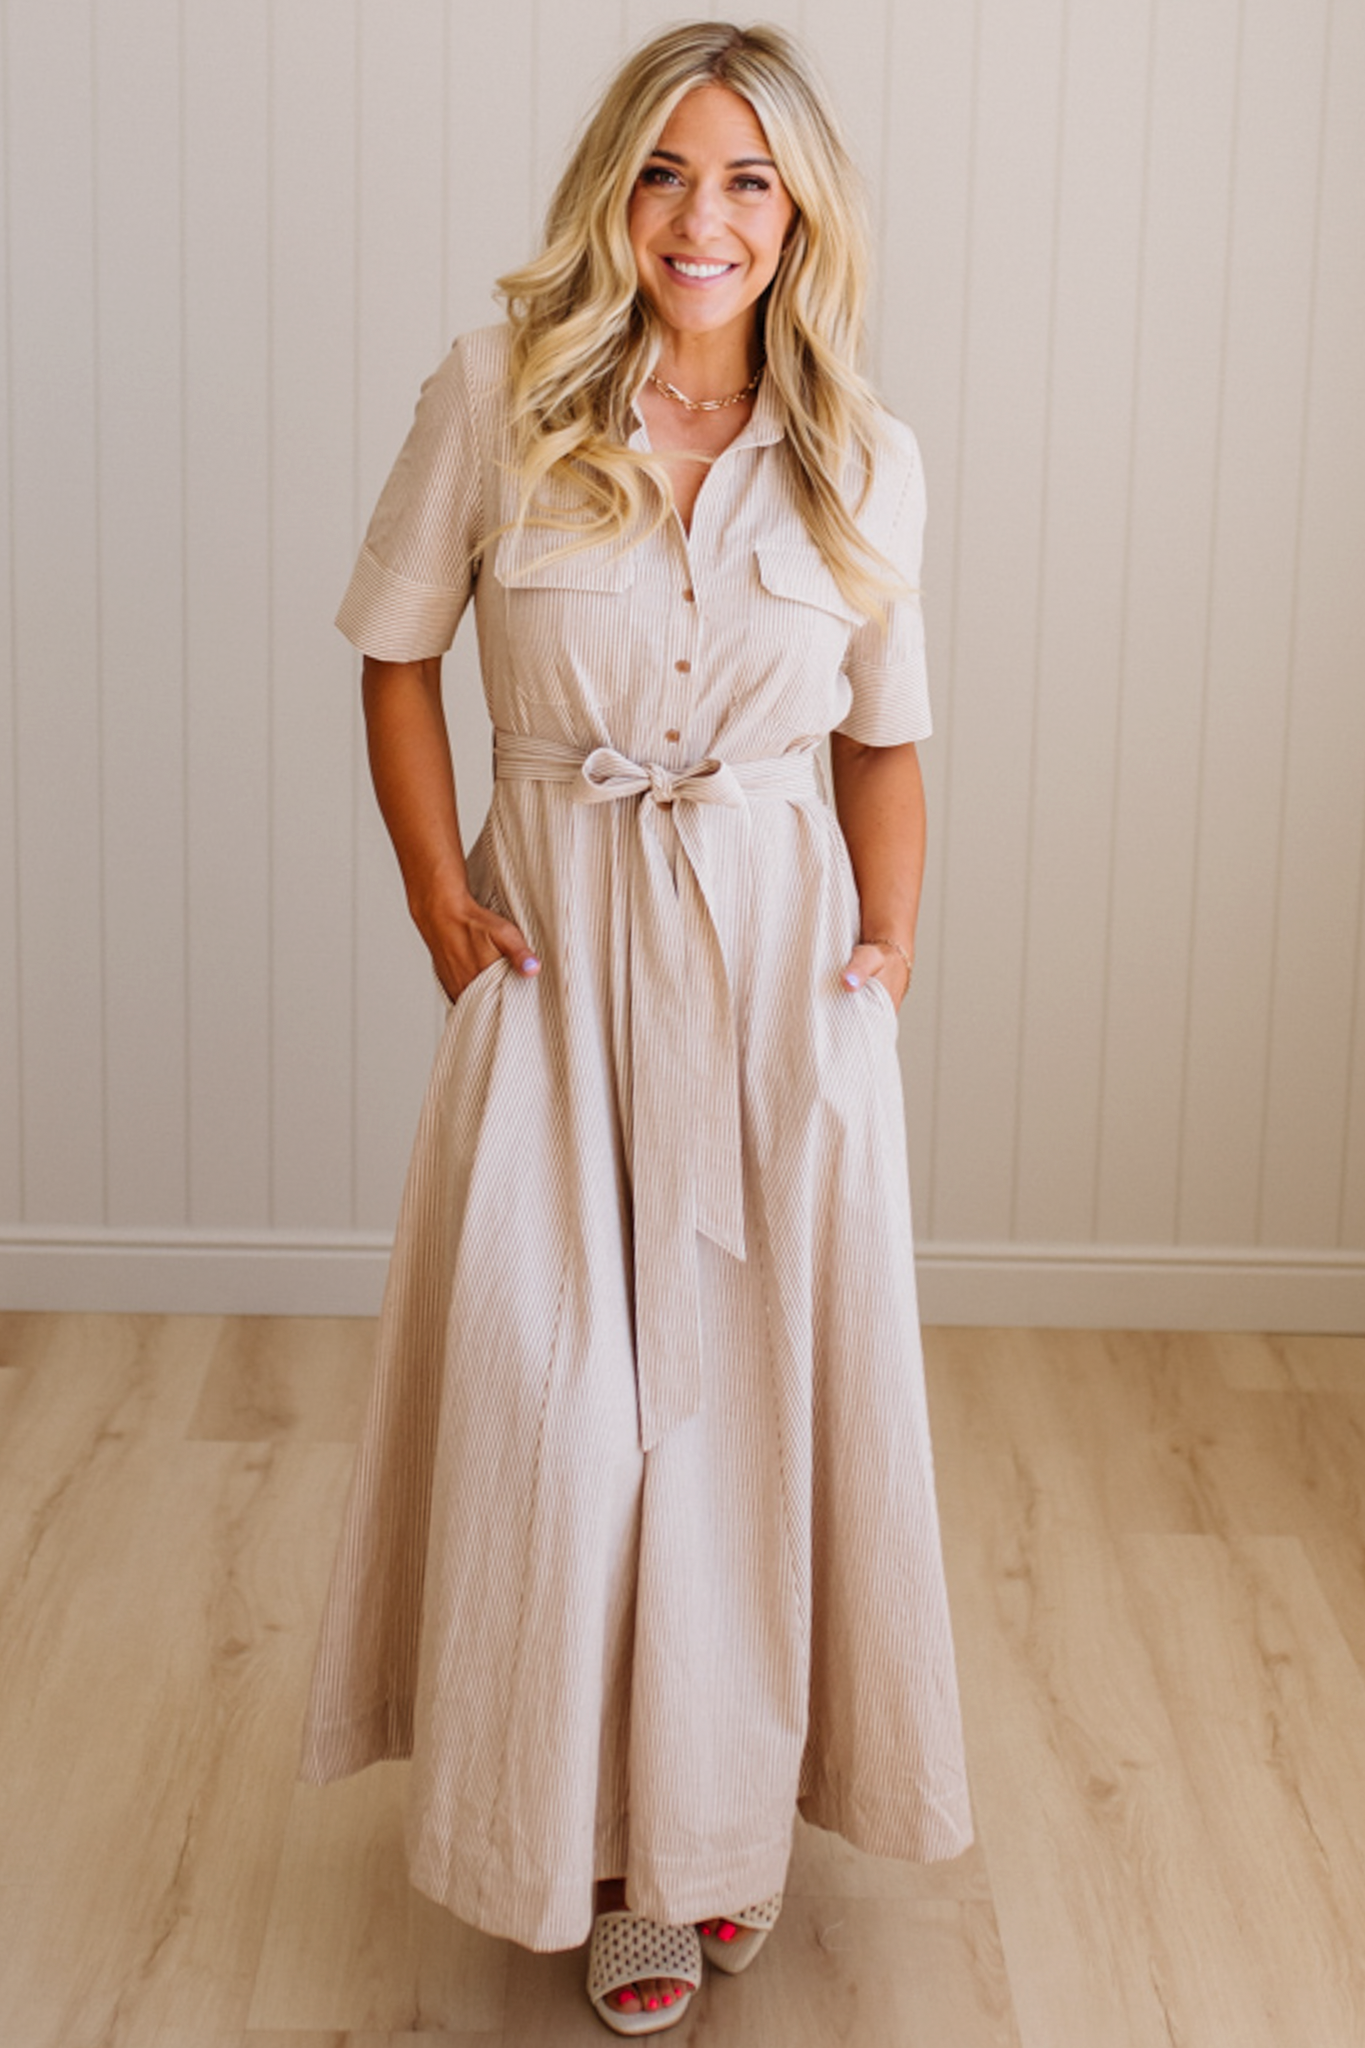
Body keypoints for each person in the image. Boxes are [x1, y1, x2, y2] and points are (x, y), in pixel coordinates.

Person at [300, 19, 972, 2035]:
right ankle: (570, 1833)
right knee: (558, 1411)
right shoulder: (500, 393)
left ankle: (694, 1852)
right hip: (558, 961)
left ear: (800, 216)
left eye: (748, 180)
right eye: (668, 173)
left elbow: (889, 742)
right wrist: (438, 894)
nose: (703, 218)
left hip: (780, 985)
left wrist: (890, 960)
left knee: (745, 1426)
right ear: (616, 187)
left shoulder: (863, 450)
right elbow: (395, 655)